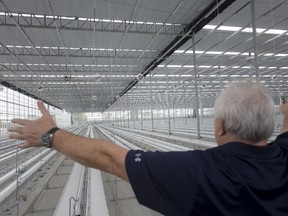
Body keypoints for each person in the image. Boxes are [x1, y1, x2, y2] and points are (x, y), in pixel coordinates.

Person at [9, 80, 288, 216]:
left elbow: (110, 159)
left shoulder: (197, 172)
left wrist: (50, 135)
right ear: (268, 125)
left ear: (219, 127)